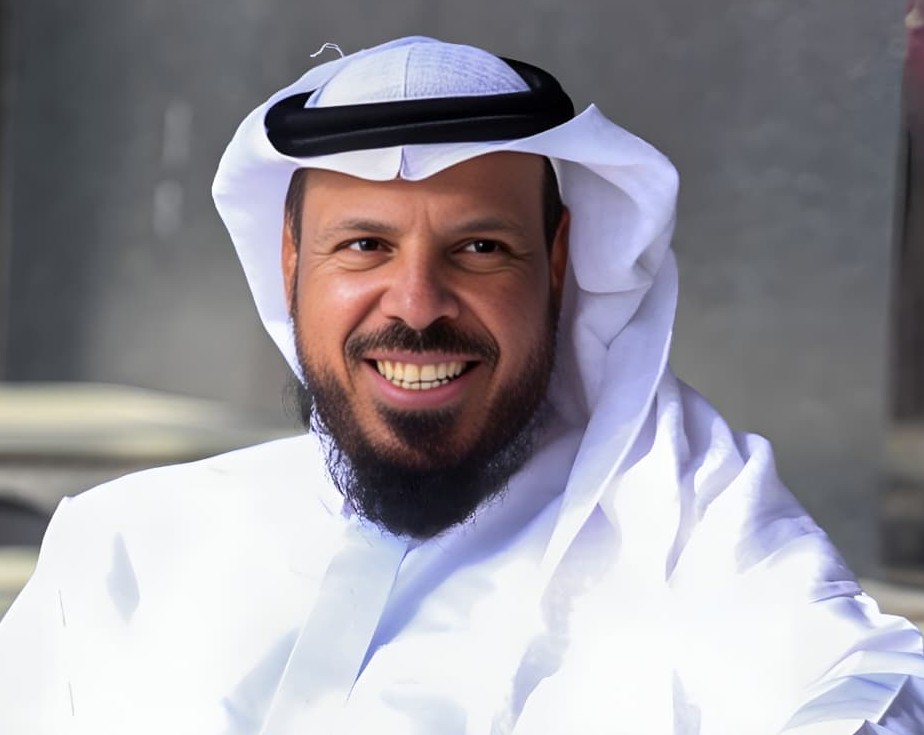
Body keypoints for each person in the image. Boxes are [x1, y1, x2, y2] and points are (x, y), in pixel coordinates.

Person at [0, 36, 922, 735]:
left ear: (557, 263)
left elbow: (870, 685)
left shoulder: (675, 523)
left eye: (480, 247)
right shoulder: (125, 546)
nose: (417, 304)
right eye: (365, 245)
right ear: (291, 262)